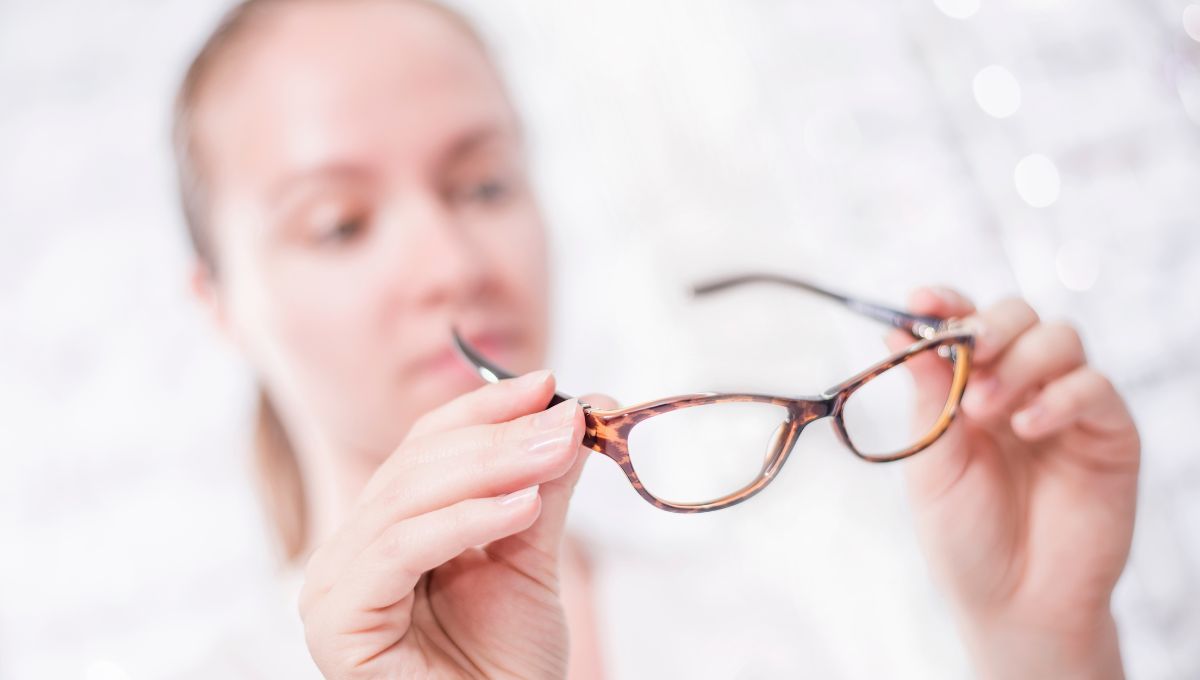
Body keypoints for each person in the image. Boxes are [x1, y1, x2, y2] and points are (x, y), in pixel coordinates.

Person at [172, 0, 1141, 677]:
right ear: (219, 302)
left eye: (484, 185)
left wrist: (1044, 649)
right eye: (340, 222)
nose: (452, 261)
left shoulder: (760, 621)